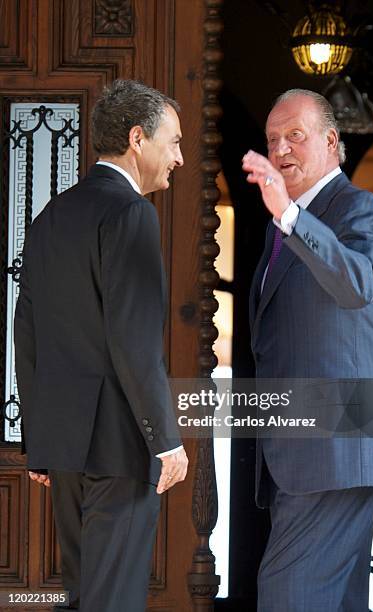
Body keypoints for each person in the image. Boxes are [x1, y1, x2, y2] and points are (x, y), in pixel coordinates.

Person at [14, 79, 188, 612]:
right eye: (173, 142)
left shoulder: (49, 218)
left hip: (64, 449)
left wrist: (40, 437)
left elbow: (28, 333)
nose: (178, 158)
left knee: (86, 596)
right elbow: (133, 341)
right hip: (118, 448)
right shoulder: (131, 213)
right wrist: (165, 441)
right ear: (138, 139)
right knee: (111, 602)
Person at [242, 89, 373, 612]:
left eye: (296, 135)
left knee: (286, 597)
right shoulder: (284, 224)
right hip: (310, 453)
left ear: (332, 142)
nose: (282, 149)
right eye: (273, 140)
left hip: (338, 445)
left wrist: (291, 218)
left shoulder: (356, 207)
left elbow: (356, 283)